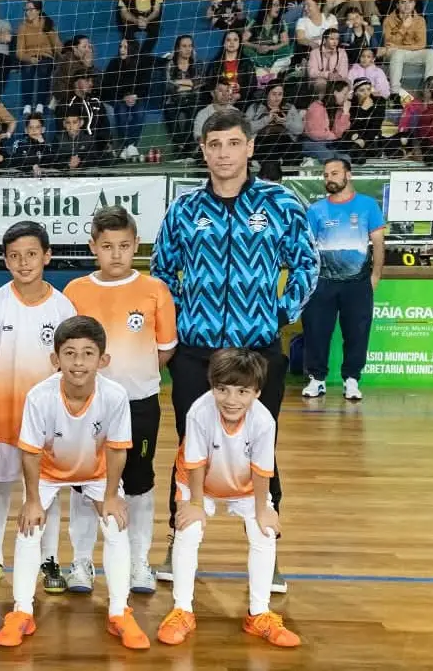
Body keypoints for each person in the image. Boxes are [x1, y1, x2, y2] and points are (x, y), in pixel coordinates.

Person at [150, 106, 319, 592]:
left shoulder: (280, 204)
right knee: (190, 448)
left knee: (260, 447)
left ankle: (268, 547)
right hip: (196, 353)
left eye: (232, 144)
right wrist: (183, 318)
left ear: (249, 147)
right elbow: (162, 273)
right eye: (214, 145)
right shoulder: (184, 210)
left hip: (257, 351)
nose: (223, 154)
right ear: (203, 151)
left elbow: (306, 264)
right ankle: (178, 537)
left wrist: (279, 312)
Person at [0, 314, 147, 651]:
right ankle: (22, 610)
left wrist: (110, 495)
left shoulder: (116, 395)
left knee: (115, 524)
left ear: (103, 360)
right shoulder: (39, 396)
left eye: (88, 353)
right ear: (55, 359)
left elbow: (118, 449)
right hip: (47, 472)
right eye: (70, 353)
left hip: (96, 473)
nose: (78, 362)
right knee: (29, 527)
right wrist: (32, 500)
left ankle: (119, 611)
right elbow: (30, 452)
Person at [155, 349, 300, 649]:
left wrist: (262, 510)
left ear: (257, 393)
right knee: (187, 529)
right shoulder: (198, 412)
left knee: (265, 531)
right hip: (199, 483)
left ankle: (259, 614)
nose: (231, 399)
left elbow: (262, 469)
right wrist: (194, 505)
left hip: (246, 485)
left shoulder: (263, 421)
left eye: (242, 391)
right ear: (212, 387)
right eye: (222, 389)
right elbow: (194, 461)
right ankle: (182, 610)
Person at [65, 209, 177, 596]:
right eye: (107, 246)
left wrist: (132, 380)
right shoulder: (76, 291)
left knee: (139, 483)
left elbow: (163, 350)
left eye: (125, 247)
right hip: (87, 405)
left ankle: (139, 561)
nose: (116, 255)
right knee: (84, 482)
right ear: (93, 247)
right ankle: (81, 560)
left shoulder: (155, 289)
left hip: (139, 403)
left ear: (136, 246)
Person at [0, 222, 76, 581]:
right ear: (5, 261)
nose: (24, 262)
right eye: (15, 256)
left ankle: (49, 558)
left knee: (48, 490)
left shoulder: (63, 307)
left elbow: (69, 362)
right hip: (3, 415)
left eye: (32, 254)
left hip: (49, 422)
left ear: (47, 256)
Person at [301, 155, 385, 402]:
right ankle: (317, 380)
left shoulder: (368, 205)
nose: (329, 179)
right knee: (316, 331)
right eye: (326, 175)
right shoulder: (315, 210)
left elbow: (379, 244)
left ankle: (352, 380)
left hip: (357, 283)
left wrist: (375, 276)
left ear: (348, 175)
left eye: (334, 173)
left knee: (357, 332)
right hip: (322, 283)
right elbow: (307, 248)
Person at [100, 39, 149, 162]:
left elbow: (146, 87)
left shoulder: (142, 64)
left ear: (132, 49)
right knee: (121, 112)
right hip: (118, 98)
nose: (121, 49)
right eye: (120, 46)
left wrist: (135, 96)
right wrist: (123, 97)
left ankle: (128, 147)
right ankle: (130, 146)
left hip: (136, 98)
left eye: (125, 47)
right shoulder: (114, 64)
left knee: (139, 112)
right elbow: (107, 87)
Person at [381, 0, 433, 96]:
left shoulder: (420, 20)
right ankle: (394, 93)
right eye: (403, 2)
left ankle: (430, 90)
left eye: (410, 2)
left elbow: (421, 44)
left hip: (411, 52)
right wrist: (403, 27)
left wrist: (398, 46)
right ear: (397, 5)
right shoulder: (388, 20)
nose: (407, 5)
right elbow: (389, 44)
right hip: (394, 54)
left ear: (414, 4)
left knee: (432, 53)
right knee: (397, 53)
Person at [15, 0, 61, 116]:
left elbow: (57, 46)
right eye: (26, 10)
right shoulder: (22, 27)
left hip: (45, 56)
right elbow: (19, 52)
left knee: (44, 68)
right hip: (29, 57)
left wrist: (64, 54)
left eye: (31, 9)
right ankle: (27, 104)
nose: (27, 12)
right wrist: (29, 58)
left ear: (38, 11)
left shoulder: (47, 24)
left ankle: (40, 104)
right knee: (28, 68)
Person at [247, 81, 304, 174]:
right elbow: (245, 128)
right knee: (270, 142)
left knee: (294, 147)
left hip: (284, 143)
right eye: (273, 94)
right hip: (261, 142)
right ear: (267, 94)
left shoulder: (289, 107)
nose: (277, 98)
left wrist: (285, 122)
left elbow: (299, 130)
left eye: (280, 94)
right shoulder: (255, 107)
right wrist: (266, 120)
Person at [163, 34, 202, 159]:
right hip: (174, 99)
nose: (188, 49)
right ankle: (180, 145)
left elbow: (198, 84)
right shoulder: (170, 64)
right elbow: (169, 86)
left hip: (192, 98)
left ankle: (185, 147)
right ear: (178, 48)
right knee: (170, 110)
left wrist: (180, 84)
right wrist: (188, 84)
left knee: (194, 110)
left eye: (190, 46)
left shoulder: (197, 63)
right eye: (184, 46)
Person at [242, 0, 294, 80]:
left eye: (279, 6)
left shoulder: (280, 24)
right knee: (245, 49)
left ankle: (270, 73)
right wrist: (257, 47)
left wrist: (271, 48)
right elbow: (243, 41)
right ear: (267, 6)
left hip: (273, 55)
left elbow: (285, 42)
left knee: (287, 49)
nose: (278, 8)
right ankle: (267, 72)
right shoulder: (255, 22)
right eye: (275, 5)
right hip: (258, 55)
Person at [302, 80, 352, 164]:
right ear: (335, 92)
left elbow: (339, 133)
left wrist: (346, 113)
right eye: (345, 94)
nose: (347, 97)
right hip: (312, 142)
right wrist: (333, 136)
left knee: (345, 158)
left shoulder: (339, 110)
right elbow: (316, 134)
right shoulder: (316, 107)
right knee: (329, 157)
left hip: (329, 143)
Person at [204, 28, 256, 106]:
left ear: (240, 43)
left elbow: (252, 85)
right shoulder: (215, 63)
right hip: (218, 101)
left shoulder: (247, 63)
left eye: (235, 40)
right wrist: (220, 97)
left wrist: (239, 95)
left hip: (240, 102)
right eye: (228, 40)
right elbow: (208, 84)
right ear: (224, 43)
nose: (232, 43)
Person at [52, 32, 98, 106]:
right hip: (66, 98)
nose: (88, 50)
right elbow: (78, 79)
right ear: (75, 48)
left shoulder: (83, 59)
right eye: (84, 47)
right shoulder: (68, 58)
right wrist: (87, 64)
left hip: (81, 96)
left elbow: (94, 80)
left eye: (89, 47)